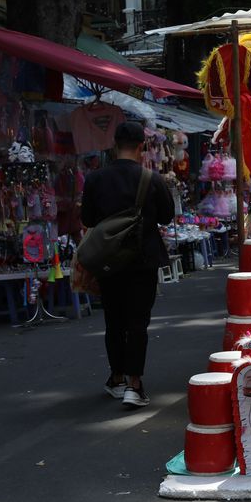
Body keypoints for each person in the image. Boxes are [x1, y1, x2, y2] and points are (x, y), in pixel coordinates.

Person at [81, 122, 174, 408]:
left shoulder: (95, 179)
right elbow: (166, 216)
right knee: (137, 322)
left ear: (114, 144)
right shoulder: (151, 179)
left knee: (113, 320)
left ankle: (117, 377)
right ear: (141, 146)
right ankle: (135, 385)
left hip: (108, 260)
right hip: (143, 259)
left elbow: (87, 219)